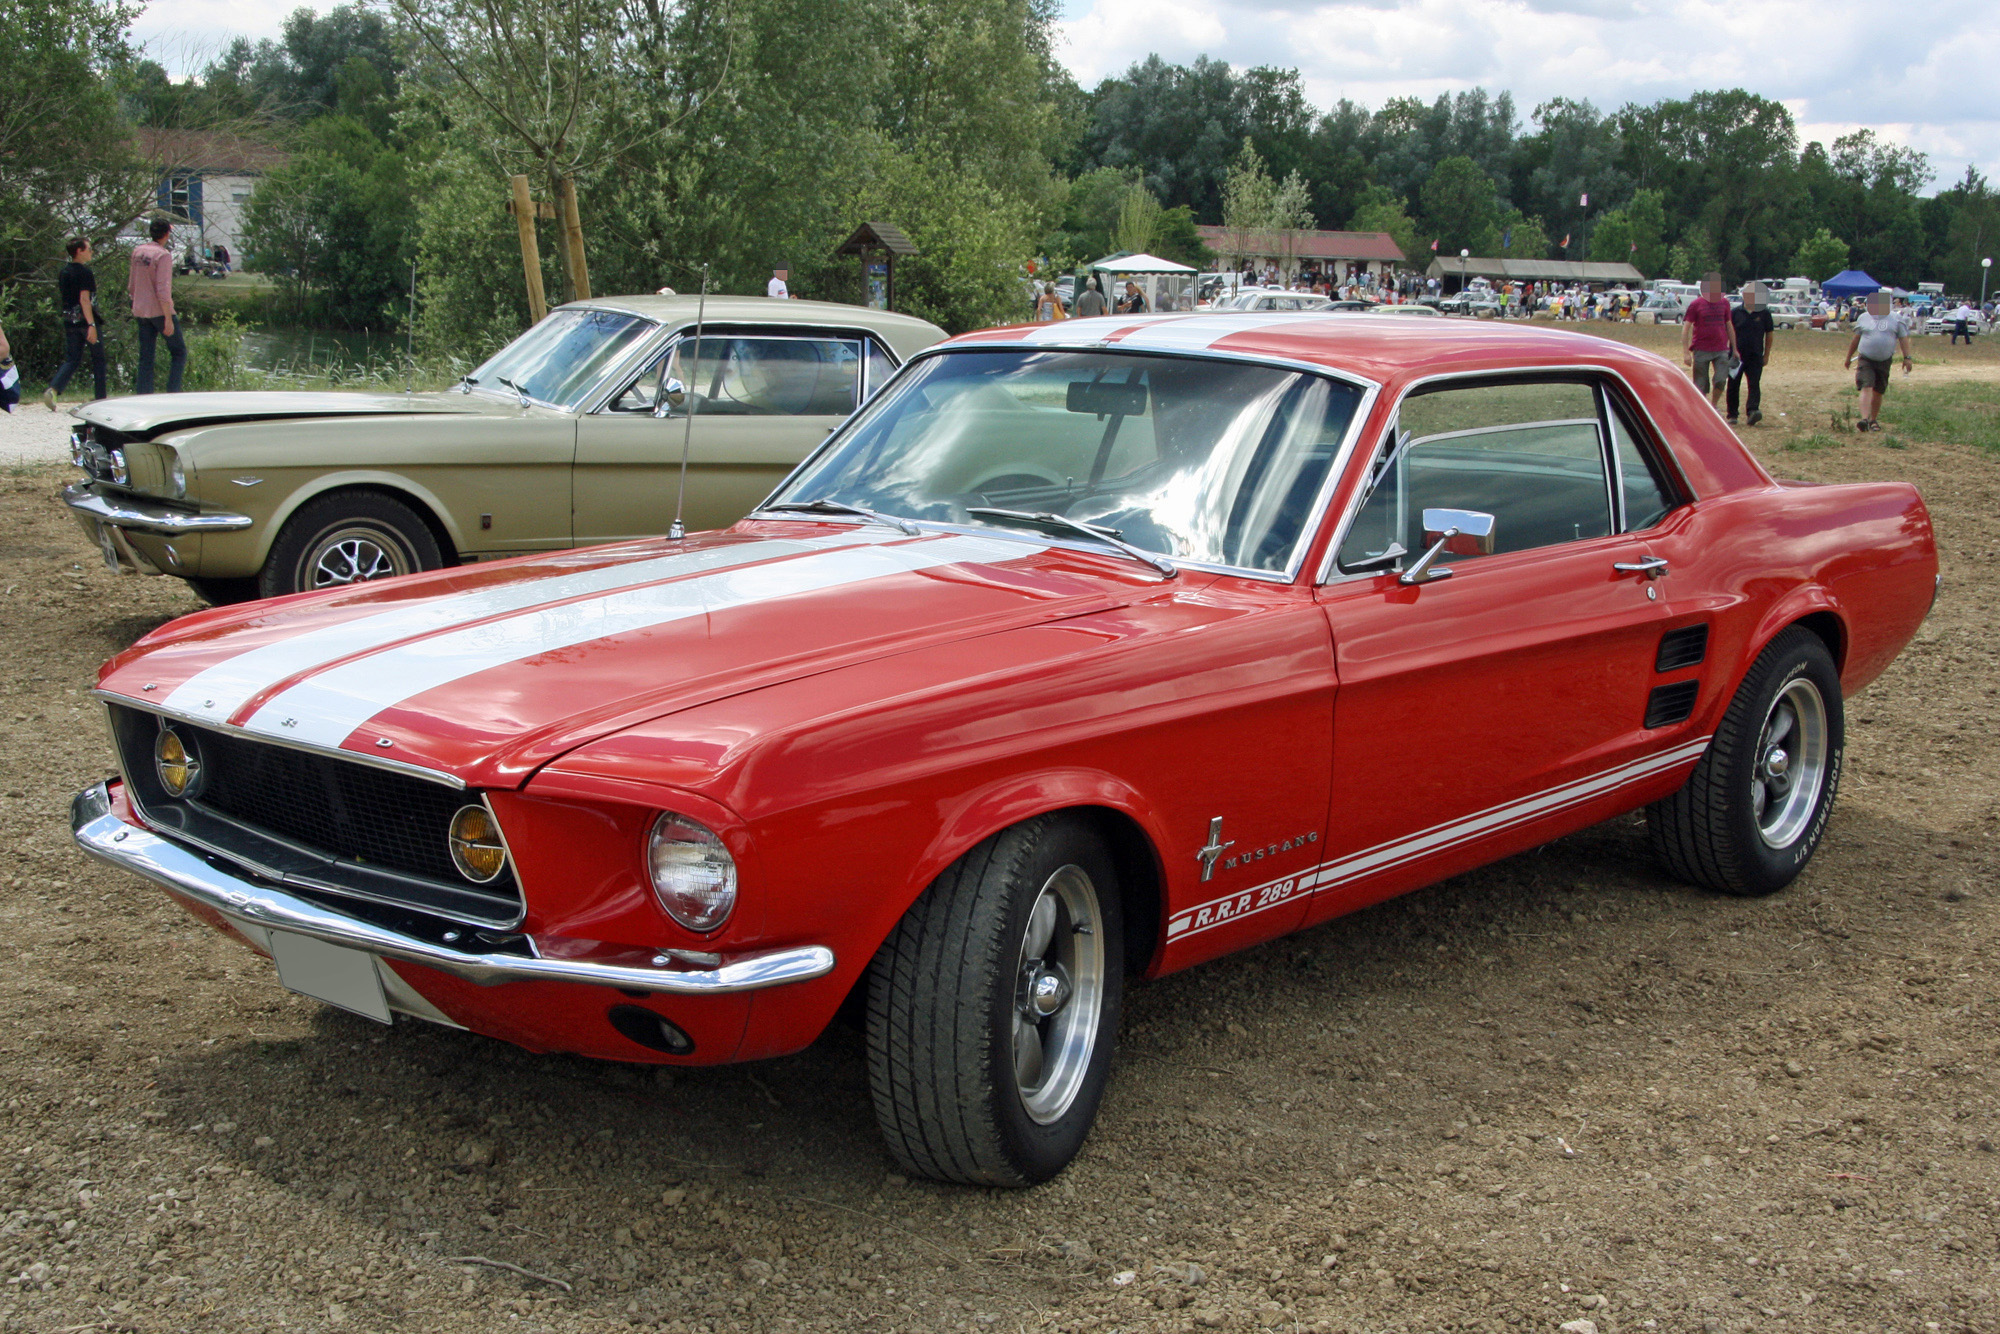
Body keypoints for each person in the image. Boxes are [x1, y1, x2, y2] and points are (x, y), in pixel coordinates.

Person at [44, 237, 106, 409]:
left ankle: (54, 389)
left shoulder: (64, 272)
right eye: (89, 249)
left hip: (69, 321)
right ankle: (101, 399)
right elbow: (85, 300)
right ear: (79, 251)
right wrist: (91, 325)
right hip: (86, 321)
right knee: (99, 360)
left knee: (72, 359)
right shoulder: (85, 273)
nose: (91, 252)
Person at [1843, 290, 1912, 432]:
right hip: (1865, 358)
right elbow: (1856, 338)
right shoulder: (1864, 318)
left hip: (1884, 360)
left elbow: (1903, 339)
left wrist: (1907, 358)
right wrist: (1849, 357)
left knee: (1878, 391)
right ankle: (1864, 419)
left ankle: (1873, 420)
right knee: (1866, 386)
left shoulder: (1896, 319)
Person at [130, 218, 185, 395]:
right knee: (178, 352)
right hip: (160, 311)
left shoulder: (137, 252)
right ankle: (172, 392)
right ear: (167, 234)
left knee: (146, 356)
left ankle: (144, 394)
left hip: (141, 309)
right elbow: (163, 288)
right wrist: (168, 317)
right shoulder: (163, 255)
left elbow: (132, 284)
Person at [1683, 272, 1737, 408]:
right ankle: (1703, 408)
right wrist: (1686, 353)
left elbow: (1729, 325)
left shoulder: (1724, 303)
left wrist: (1734, 349)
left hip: (1721, 349)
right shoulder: (1696, 304)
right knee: (1700, 385)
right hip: (1701, 349)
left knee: (1720, 380)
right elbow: (1686, 328)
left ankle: (1713, 405)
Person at [1726, 282, 1775, 426]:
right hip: (1736, 356)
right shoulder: (1735, 313)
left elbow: (1769, 334)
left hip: (1755, 355)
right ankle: (1732, 414)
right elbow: (1728, 331)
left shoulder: (1764, 313)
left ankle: (1753, 411)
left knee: (1754, 384)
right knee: (1733, 384)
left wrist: (1766, 355)